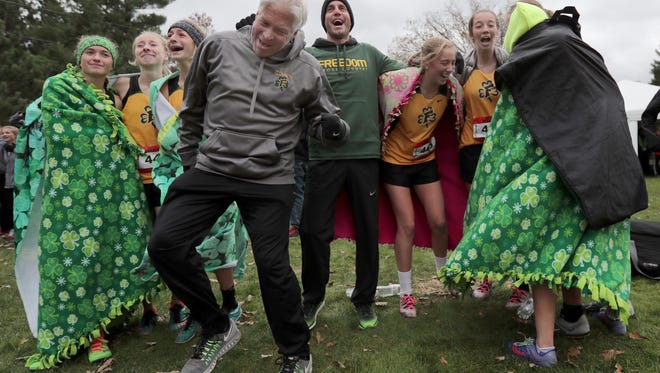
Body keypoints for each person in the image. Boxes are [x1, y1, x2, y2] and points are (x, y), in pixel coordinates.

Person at [439, 2, 647, 368]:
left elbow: (508, 135)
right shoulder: (581, 52)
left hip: (562, 171)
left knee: (544, 249)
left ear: (517, 32)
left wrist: (496, 183)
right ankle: (589, 316)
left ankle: (545, 346)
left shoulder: (531, 61)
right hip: (611, 169)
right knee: (590, 245)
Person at [146, 1, 349, 372]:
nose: (267, 35)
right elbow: (193, 109)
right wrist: (193, 161)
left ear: (294, 34)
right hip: (213, 168)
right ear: (256, 16)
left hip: (270, 178)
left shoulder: (307, 69)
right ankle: (217, 325)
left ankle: (296, 352)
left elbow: (323, 116)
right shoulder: (219, 46)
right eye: (263, 23)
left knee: (273, 267)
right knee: (164, 244)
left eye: (280, 31)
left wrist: (331, 129)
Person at [13, 35, 160, 370]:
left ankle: (104, 328)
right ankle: (79, 333)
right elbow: (67, 132)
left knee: (113, 253)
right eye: (90, 52)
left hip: (117, 189)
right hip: (72, 195)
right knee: (74, 259)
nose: (97, 57)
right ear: (78, 58)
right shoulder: (60, 86)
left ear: (112, 62)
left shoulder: (113, 96)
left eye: (104, 53)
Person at [135, 18, 248, 344]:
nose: (173, 38)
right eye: (169, 35)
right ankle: (199, 309)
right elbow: (163, 132)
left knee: (218, 238)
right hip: (174, 176)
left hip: (214, 171)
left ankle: (229, 300)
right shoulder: (160, 88)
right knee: (176, 244)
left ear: (198, 43)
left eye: (181, 34)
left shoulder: (217, 80)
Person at [299, 0, 405, 331]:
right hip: (322, 155)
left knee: (367, 230)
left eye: (342, 8)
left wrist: (443, 64)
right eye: (330, 9)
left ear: (349, 18)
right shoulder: (308, 57)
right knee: (312, 230)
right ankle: (313, 297)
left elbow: (408, 75)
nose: (336, 13)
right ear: (324, 20)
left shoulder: (372, 53)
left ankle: (364, 299)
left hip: (365, 155)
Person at [378, 37, 463, 317]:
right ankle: (406, 294)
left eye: (452, 62)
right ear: (427, 63)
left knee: (439, 222)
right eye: (444, 62)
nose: (450, 68)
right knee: (409, 226)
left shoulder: (451, 90)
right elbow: (379, 85)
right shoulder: (400, 87)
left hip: (426, 162)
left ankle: (444, 275)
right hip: (395, 164)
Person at [457, 9, 530, 308]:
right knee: (479, 218)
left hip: (506, 149)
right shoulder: (462, 69)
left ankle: (520, 284)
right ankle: (483, 275)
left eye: (490, 25)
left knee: (514, 216)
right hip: (472, 150)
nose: (484, 29)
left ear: (498, 30)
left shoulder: (512, 64)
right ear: (471, 33)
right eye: (478, 25)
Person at [111, 30, 181, 337]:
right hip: (134, 180)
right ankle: (148, 307)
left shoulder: (182, 82)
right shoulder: (122, 85)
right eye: (139, 44)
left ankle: (179, 303)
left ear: (166, 52)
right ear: (133, 54)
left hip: (172, 178)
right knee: (140, 245)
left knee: (174, 243)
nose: (146, 48)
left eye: (153, 43)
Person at [0, 124, 18, 239]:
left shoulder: (20, 147)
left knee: (14, 206)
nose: (4, 134)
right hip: (7, 181)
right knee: (7, 206)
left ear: (15, 135)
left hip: (18, 181)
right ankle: (7, 228)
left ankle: (15, 228)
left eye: (7, 132)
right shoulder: (3, 148)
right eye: (3, 133)